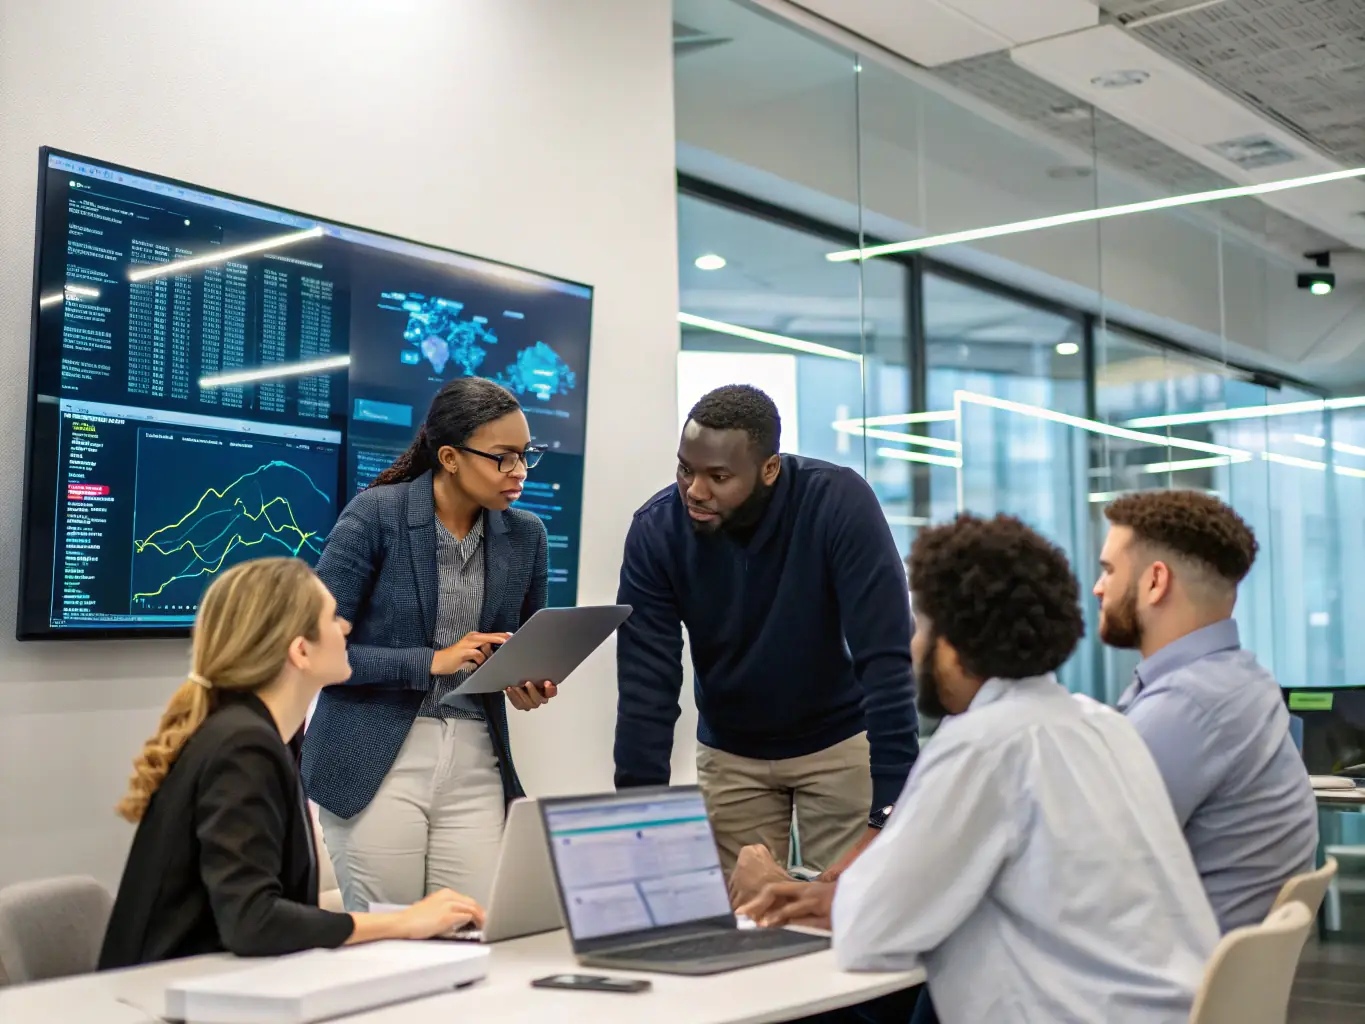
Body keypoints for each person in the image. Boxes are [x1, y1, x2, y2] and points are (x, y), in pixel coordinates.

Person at [742, 514, 1219, 1024]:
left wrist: (765, 883)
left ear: (954, 643)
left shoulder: (985, 743)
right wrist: (829, 900)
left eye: (921, 625)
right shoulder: (1103, 726)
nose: (912, 647)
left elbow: (871, 937)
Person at [99, 558, 484, 970]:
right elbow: (253, 921)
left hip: (221, 983)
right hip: (172, 995)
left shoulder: (257, 734)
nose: (347, 628)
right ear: (300, 651)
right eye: (333, 618)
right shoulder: (243, 746)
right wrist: (401, 922)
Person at [614, 384, 917, 878]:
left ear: (769, 470)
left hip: (838, 742)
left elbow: (885, 657)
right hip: (731, 750)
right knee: (742, 920)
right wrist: (640, 816)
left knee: (850, 912)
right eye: (686, 469)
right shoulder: (656, 530)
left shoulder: (837, 502)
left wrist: (892, 800)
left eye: (719, 476)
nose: (695, 490)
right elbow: (647, 683)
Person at [301, 377, 555, 912]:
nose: (519, 472)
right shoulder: (376, 515)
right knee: (386, 939)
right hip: (374, 753)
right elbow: (309, 648)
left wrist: (526, 680)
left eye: (526, 456)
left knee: (473, 929)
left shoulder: (527, 535)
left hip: (475, 756)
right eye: (503, 458)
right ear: (450, 457)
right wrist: (432, 661)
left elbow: (522, 645)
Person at [1096, 489, 1318, 932]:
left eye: (1109, 571)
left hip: (1159, 984)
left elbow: (1089, 862)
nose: (1099, 588)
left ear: (1155, 582)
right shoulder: (1245, 680)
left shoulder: (1189, 705)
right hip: (1205, 976)